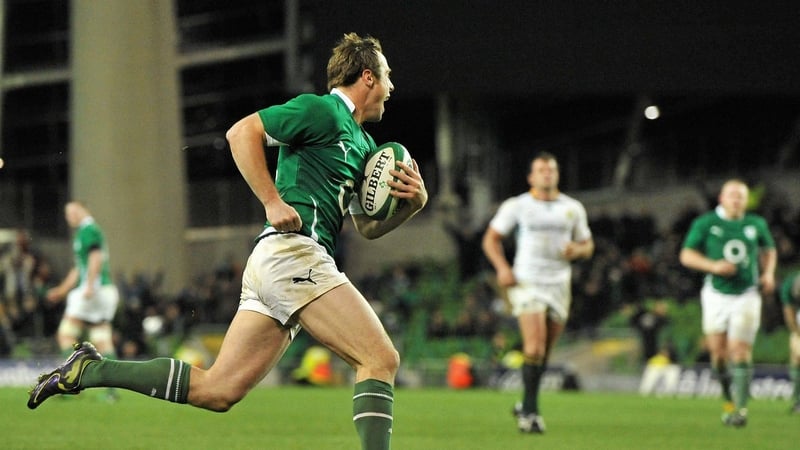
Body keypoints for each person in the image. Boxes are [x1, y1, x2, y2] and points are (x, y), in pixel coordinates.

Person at [27, 33, 427, 450]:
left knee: (217, 391)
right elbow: (242, 133)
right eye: (387, 76)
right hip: (293, 253)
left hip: (284, 262)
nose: (392, 86)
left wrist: (413, 204)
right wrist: (271, 201)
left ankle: (90, 371)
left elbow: (366, 228)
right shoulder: (322, 110)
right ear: (367, 76)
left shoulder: (364, 146)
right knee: (380, 359)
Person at [482, 152, 594, 434]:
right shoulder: (518, 206)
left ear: (557, 175)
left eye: (551, 170)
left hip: (559, 283)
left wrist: (578, 250)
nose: (547, 174)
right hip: (527, 281)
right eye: (541, 170)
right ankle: (531, 415)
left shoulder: (572, 208)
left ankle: (525, 403)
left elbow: (587, 244)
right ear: (531, 177)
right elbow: (491, 239)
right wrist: (502, 269)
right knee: (533, 347)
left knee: (543, 353)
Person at [679, 178, 777, 428]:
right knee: (719, 354)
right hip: (715, 294)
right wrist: (713, 266)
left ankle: (741, 410)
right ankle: (728, 401)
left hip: (746, 294)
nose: (736, 199)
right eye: (732, 195)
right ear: (721, 198)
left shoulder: (756, 224)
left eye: (741, 196)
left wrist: (767, 274)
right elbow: (686, 255)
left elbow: (769, 250)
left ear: (746, 200)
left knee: (740, 350)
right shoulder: (706, 223)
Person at [45, 201, 120, 401]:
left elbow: (95, 258)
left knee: (66, 335)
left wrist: (89, 285)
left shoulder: (88, 230)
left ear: (83, 210)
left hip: (93, 290)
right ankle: (112, 392)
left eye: (72, 212)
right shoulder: (87, 232)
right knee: (102, 340)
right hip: (104, 290)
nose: (68, 216)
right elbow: (80, 267)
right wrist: (61, 291)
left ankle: (70, 384)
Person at [779, 270, 800, 413]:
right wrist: (797, 334)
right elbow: (789, 314)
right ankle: (798, 401)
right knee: (797, 357)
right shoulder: (788, 285)